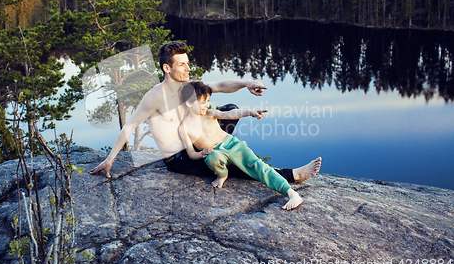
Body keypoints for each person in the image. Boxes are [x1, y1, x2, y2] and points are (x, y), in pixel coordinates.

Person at [88, 41, 321, 186]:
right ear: (167, 68)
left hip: (197, 141)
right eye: (182, 65)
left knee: (230, 109)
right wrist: (110, 160)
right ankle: (292, 176)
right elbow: (129, 126)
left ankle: (224, 151)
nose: (188, 68)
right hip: (180, 157)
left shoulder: (188, 86)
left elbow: (220, 84)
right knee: (234, 165)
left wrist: (247, 82)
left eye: (188, 63)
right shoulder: (155, 96)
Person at [179, 81, 320, 210]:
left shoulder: (209, 114)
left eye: (208, 101)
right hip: (216, 152)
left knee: (258, 166)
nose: (207, 105)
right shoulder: (184, 128)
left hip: (231, 145)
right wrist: (201, 153)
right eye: (202, 102)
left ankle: (291, 193)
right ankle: (222, 175)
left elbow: (231, 114)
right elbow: (191, 153)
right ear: (189, 103)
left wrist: (250, 112)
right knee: (212, 159)